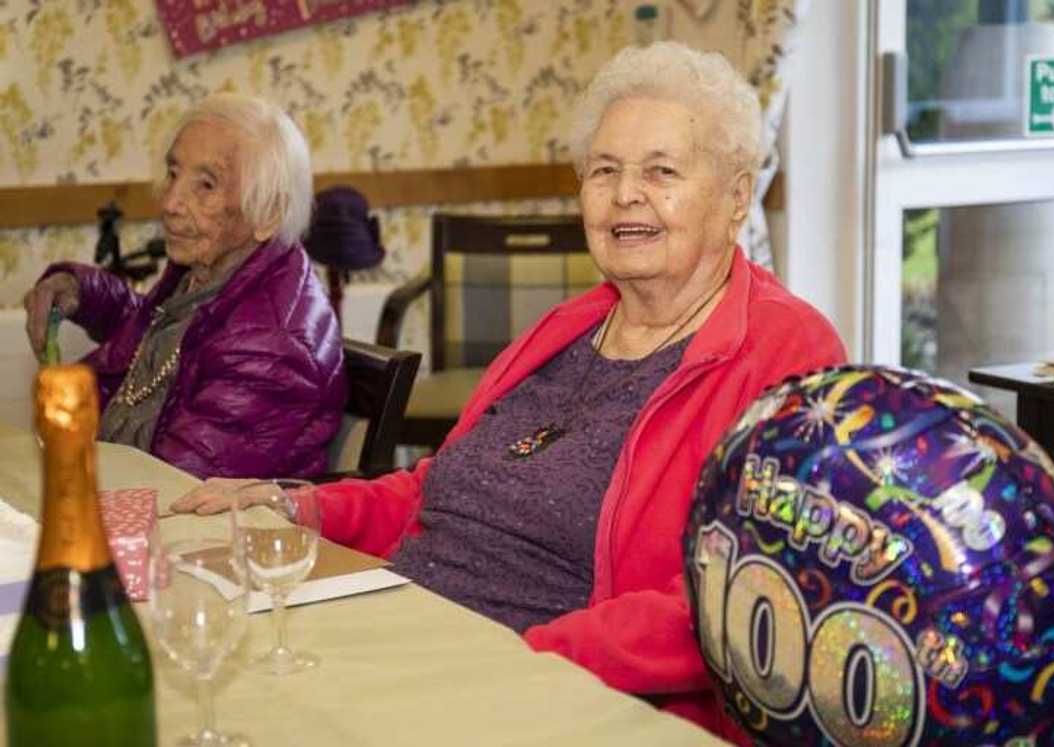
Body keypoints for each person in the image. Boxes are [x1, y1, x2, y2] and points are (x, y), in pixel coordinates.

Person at [173, 42, 846, 741]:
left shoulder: (788, 353)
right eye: (604, 170)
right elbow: (444, 488)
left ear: (737, 196)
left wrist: (519, 660)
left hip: (548, 696)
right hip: (406, 631)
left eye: (661, 171)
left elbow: (735, 600)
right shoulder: (568, 326)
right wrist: (298, 505)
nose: (624, 195)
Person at [23, 93, 345, 479]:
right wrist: (83, 290)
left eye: (206, 185)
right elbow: (159, 335)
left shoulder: (270, 346)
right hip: (123, 486)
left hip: (189, 523)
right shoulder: (214, 271)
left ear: (268, 212)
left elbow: (175, 485)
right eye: (174, 174)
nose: (171, 202)